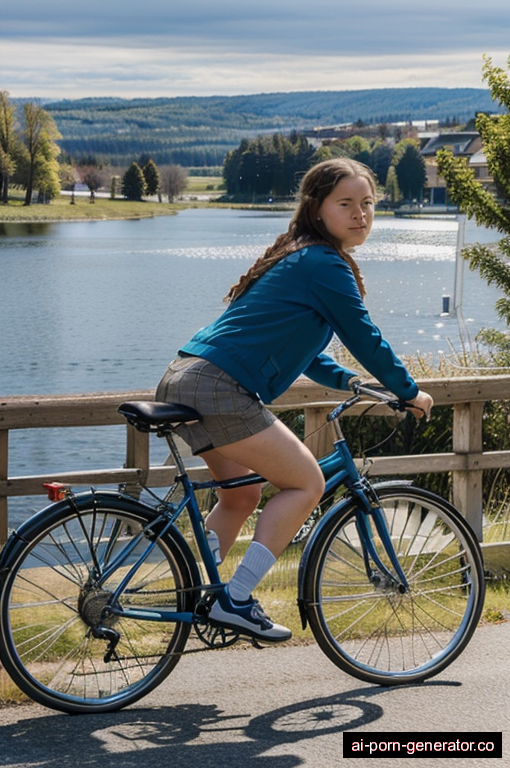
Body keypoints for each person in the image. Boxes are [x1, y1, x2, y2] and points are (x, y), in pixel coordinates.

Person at [156, 157, 433, 644]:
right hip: (219, 386)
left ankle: (198, 592)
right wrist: (408, 392)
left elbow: (303, 353)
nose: (360, 214)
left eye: (368, 204)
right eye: (345, 204)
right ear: (316, 208)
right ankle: (235, 600)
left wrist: (350, 382)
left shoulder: (297, 255)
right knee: (305, 483)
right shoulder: (323, 263)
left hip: (188, 375)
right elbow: (366, 337)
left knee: (241, 495)